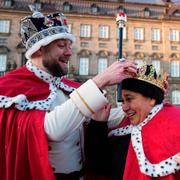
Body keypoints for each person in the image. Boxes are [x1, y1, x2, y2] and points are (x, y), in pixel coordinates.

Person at [0, 7, 137, 180]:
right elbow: (53, 129)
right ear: (39, 49)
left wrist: (143, 103)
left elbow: (100, 117)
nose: (69, 52)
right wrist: (101, 80)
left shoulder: (68, 86)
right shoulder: (9, 88)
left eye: (69, 46)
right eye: (61, 46)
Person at [85, 64, 180, 180]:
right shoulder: (125, 125)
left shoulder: (175, 125)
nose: (124, 108)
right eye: (123, 101)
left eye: (129, 99)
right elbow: (99, 168)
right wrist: (98, 124)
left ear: (151, 98)